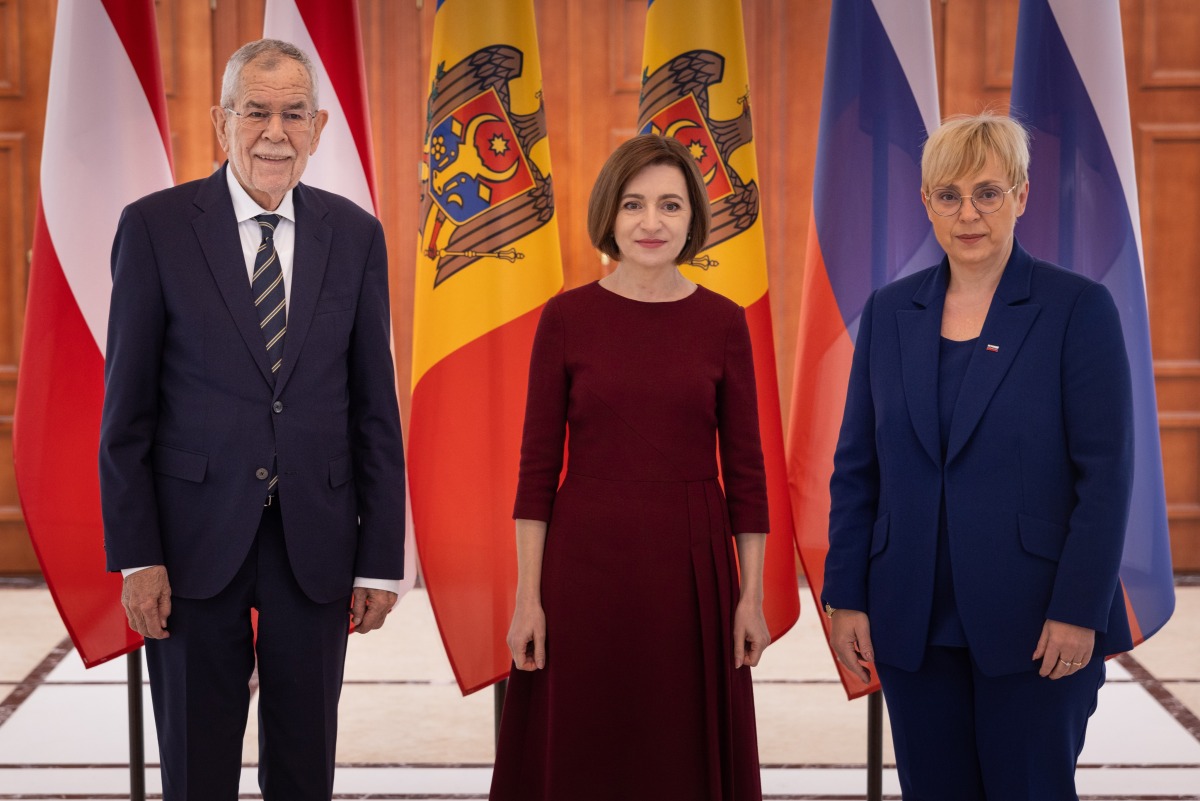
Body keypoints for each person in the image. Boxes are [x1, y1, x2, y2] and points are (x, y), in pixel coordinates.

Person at [99, 39, 406, 800]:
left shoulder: (356, 235)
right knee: (198, 767)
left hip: (318, 538)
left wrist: (379, 557)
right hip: (191, 540)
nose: (275, 131)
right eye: (256, 111)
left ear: (319, 126)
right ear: (220, 122)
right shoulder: (156, 229)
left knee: (304, 766)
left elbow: (374, 407)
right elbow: (126, 416)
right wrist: (137, 556)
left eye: (293, 113)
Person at [822, 111, 1134, 799]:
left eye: (988, 192)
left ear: (1022, 197)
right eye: (950, 194)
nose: (969, 213)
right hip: (911, 617)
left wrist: (1080, 608)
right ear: (926, 202)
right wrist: (845, 593)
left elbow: (1106, 477)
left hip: (1038, 622)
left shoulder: (1077, 308)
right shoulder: (889, 311)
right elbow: (857, 467)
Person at [489, 134, 771, 800]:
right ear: (609, 217)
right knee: (587, 743)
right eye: (634, 204)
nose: (652, 222)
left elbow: (748, 477)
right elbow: (535, 473)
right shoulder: (565, 317)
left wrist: (750, 597)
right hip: (584, 563)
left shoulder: (724, 321)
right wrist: (529, 599)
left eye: (670, 205)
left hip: (692, 565)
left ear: (692, 217)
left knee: (680, 749)